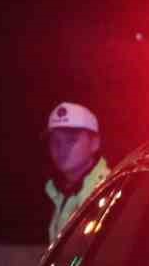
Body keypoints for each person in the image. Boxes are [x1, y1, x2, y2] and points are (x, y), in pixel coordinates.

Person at [44, 101, 110, 244]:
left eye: (71, 140)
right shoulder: (62, 191)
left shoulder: (105, 191)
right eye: (55, 141)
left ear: (94, 143)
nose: (61, 148)